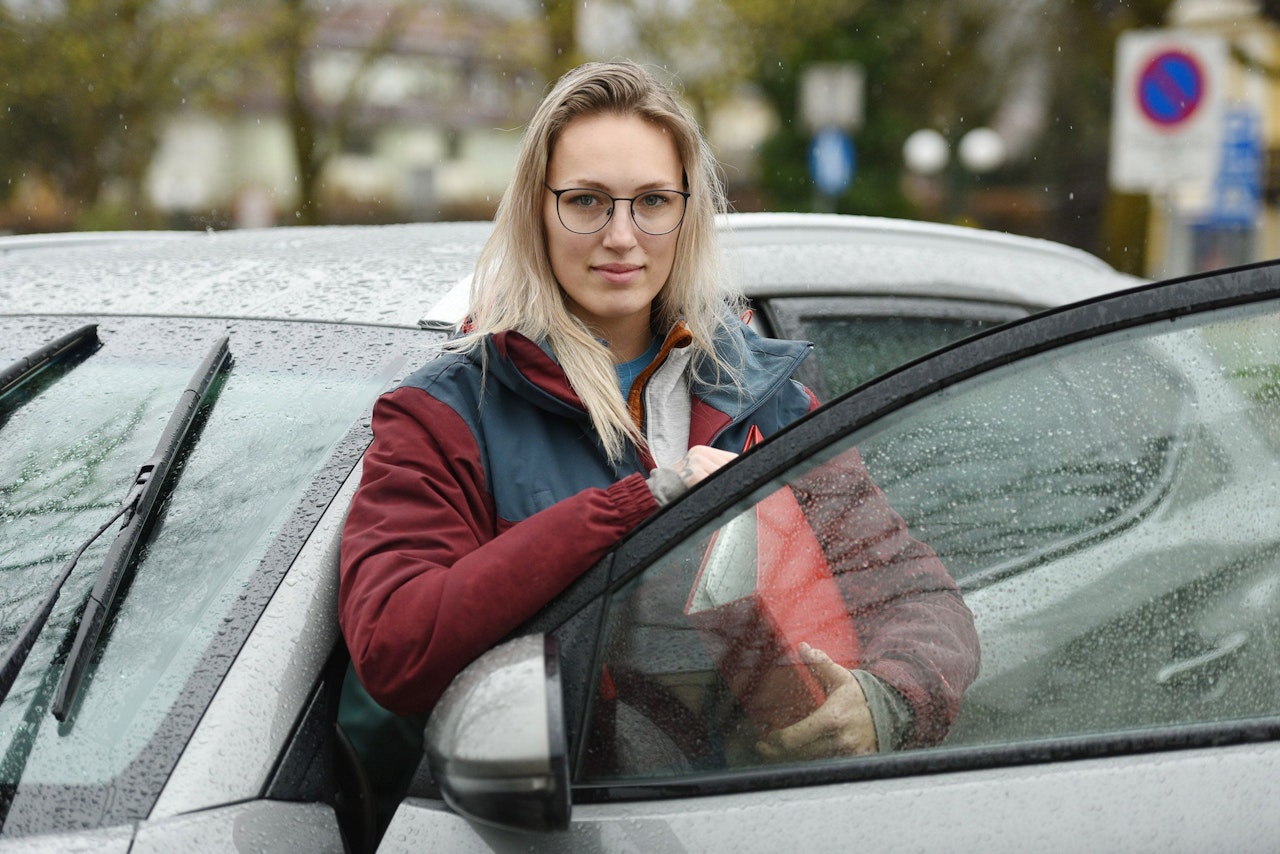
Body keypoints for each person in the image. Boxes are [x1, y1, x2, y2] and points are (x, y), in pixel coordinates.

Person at [337, 59, 977, 834]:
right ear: (536, 213)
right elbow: (396, 646)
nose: (620, 237)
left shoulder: (764, 395)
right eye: (585, 202)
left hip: (785, 819)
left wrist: (887, 702)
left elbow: (914, 597)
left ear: (687, 213)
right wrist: (638, 505)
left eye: (652, 204)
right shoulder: (444, 416)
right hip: (575, 829)